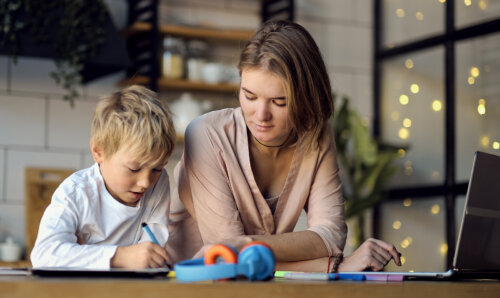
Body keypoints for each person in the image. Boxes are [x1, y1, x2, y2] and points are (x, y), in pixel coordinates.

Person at [166, 20, 401, 273]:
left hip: (268, 286)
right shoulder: (206, 135)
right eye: (249, 96)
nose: (261, 115)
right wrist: (334, 266)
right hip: (189, 285)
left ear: (307, 98)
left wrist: (246, 243)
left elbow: (330, 236)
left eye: (279, 102)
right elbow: (228, 257)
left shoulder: (317, 135)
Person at [31, 85, 176, 269]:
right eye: (133, 169)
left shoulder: (158, 183)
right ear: (98, 152)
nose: (146, 183)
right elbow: (44, 254)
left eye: (157, 169)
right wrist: (120, 257)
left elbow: (149, 256)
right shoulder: (75, 193)